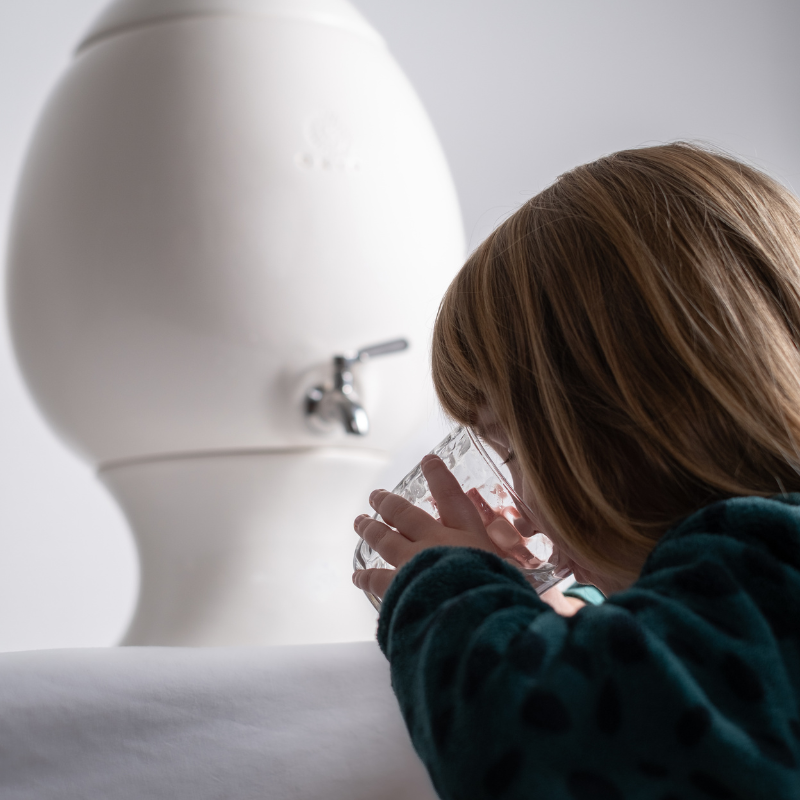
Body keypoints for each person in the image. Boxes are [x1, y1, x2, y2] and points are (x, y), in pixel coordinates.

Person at [352, 142, 800, 799]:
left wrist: (450, 587)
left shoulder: (763, 558)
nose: (518, 507)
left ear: (617, 426)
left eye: (509, 451)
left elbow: (538, 748)